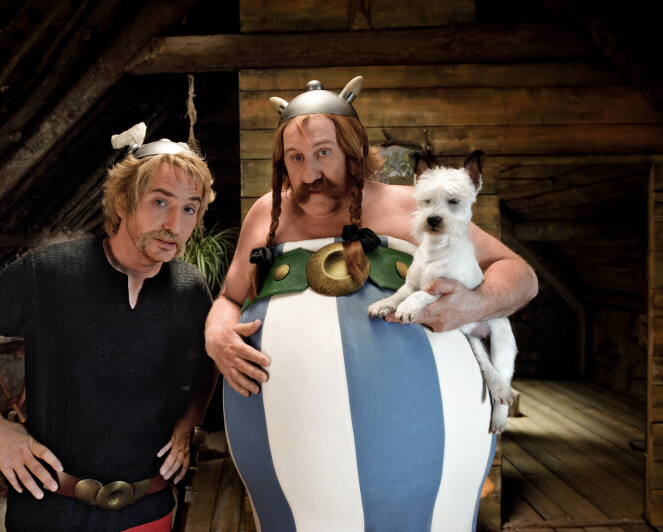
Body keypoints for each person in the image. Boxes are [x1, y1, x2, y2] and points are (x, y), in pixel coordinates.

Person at [205, 77, 538, 530]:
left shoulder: (409, 208)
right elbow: (229, 297)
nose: (309, 174)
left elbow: (519, 275)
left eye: (323, 153)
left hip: (412, 441)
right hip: (293, 454)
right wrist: (217, 333)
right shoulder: (267, 213)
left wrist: (474, 303)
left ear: (354, 150)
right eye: (295, 158)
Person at [0, 123, 219, 531]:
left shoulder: (189, 288)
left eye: (189, 208)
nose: (174, 225)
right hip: (50, 514)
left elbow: (210, 359)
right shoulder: (50, 273)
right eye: (160, 201)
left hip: (149, 512)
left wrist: (189, 421)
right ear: (122, 201)